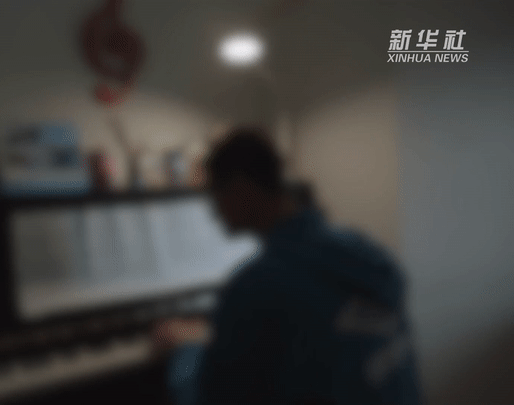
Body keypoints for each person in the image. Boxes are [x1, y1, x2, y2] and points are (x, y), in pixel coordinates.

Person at [152, 127, 422, 405]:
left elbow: (206, 398)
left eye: (215, 193)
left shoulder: (256, 289)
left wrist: (188, 349)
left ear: (241, 189)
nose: (213, 211)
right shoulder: (365, 253)